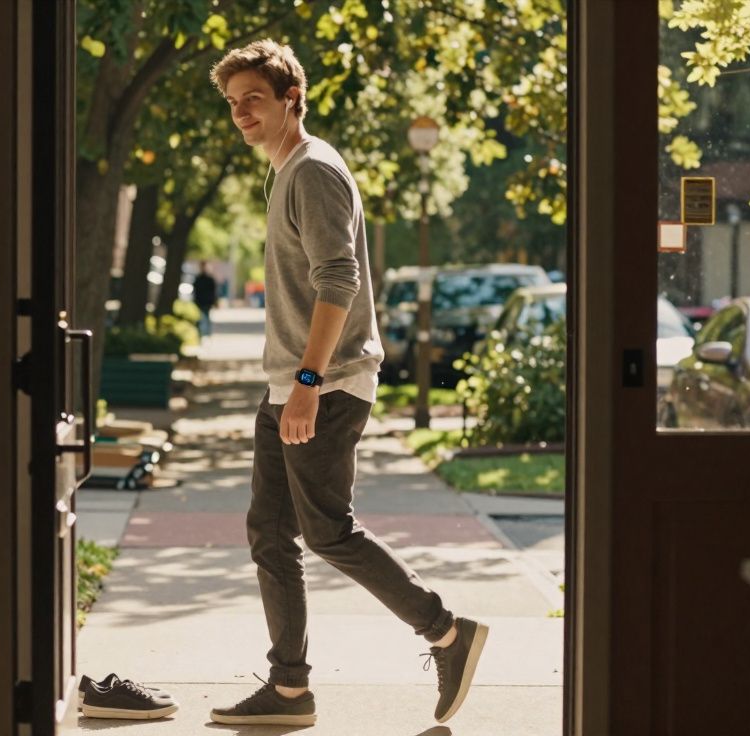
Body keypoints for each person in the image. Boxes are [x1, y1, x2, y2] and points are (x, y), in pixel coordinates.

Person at [206, 39, 488, 728]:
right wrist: (289, 383)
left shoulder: (313, 171)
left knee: (327, 531)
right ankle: (290, 690)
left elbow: (340, 278)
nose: (242, 112)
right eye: (234, 102)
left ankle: (447, 631)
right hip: (290, 386)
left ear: (291, 99)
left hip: (322, 386)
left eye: (255, 99)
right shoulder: (285, 173)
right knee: (271, 533)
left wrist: (308, 379)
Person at [193, 262, 218, 338]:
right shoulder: (198, 279)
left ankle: (206, 333)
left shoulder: (209, 279)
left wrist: (214, 301)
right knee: (201, 317)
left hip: (207, 301)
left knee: (205, 317)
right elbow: (195, 290)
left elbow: (213, 291)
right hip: (200, 301)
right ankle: (202, 333)